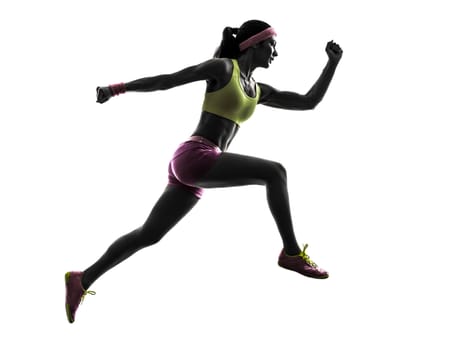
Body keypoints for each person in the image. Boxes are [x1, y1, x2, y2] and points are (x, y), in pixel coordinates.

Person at [65, 19, 343, 323]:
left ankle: (82, 279)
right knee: (275, 172)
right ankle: (291, 253)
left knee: (149, 234)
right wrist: (116, 89)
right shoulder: (224, 69)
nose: (276, 53)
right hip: (196, 155)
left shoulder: (257, 90)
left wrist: (332, 63)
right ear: (255, 44)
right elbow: (169, 79)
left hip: (194, 167)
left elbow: (308, 102)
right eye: (272, 45)